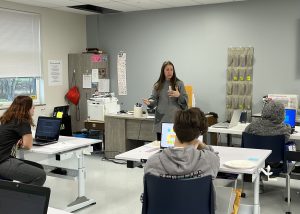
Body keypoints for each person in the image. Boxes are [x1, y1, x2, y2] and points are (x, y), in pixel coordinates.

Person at [144, 107, 220, 179]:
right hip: (195, 193)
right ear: (200, 133)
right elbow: (215, 156)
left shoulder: (152, 162)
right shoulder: (210, 160)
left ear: (174, 129)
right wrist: (203, 146)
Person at [0, 95, 46, 186]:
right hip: (2, 161)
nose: (34, 107)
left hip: (3, 157)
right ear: (26, 108)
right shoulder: (23, 121)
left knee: (38, 167)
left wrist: (21, 141)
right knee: (40, 175)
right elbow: (28, 145)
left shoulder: (7, 118)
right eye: (32, 105)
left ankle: (20, 192)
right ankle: (24, 199)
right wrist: (23, 142)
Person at [143, 61, 188, 140]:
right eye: (167, 70)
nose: (169, 72)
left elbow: (185, 102)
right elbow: (153, 99)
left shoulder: (179, 84)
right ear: (163, 71)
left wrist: (179, 95)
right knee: (161, 147)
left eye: (171, 69)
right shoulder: (157, 85)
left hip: (175, 120)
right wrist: (149, 102)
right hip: (161, 120)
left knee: (176, 146)